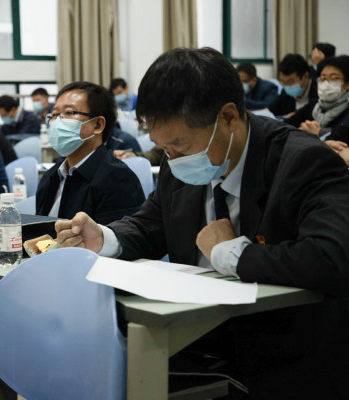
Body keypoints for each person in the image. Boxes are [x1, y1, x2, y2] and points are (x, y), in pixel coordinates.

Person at [55, 48, 349, 398]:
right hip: (193, 340)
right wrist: (104, 238)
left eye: (179, 146)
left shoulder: (302, 160)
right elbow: (149, 225)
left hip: (282, 357)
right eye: (163, 148)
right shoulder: (179, 162)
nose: (172, 159)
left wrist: (232, 254)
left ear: (228, 117)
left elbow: (332, 257)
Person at [36, 81, 145, 224]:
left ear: (98, 125)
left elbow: (119, 236)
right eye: (55, 114)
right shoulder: (50, 176)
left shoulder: (118, 179)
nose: (58, 121)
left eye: (69, 112)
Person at [286, 55, 349, 137]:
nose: (326, 84)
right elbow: (286, 125)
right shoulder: (314, 105)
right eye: (323, 78)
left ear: (347, 84)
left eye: (334, 78)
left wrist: (319, 133)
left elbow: (342, 137)